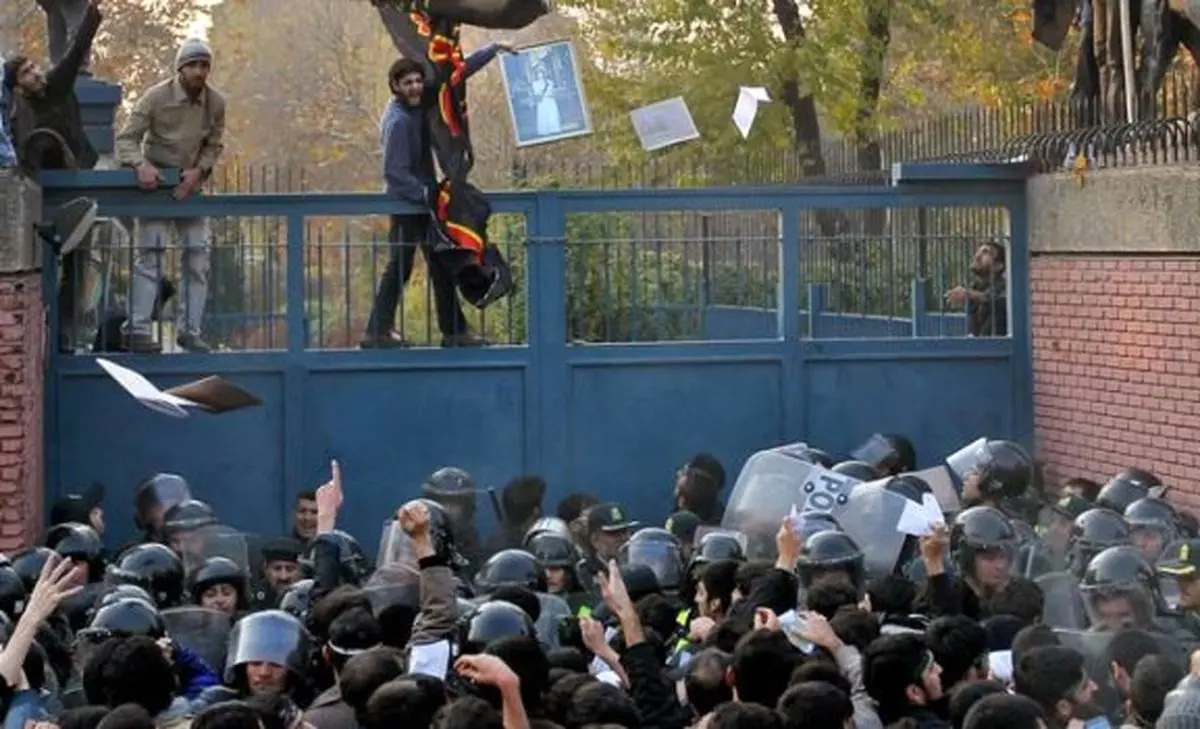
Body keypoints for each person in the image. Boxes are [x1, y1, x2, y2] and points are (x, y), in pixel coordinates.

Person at [363, 47, 510, 350]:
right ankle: (382, 331)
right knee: (403, 265)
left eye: (418, 81)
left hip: (423, 202)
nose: (415, 87)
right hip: (408, 203)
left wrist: (492, 51)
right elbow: (394, 172)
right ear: (395, 87)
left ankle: (451, 332)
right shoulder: (399, 122)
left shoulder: (417, 104)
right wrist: (427, 193)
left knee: (439, 263)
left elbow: (454, 76)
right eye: (408, 83)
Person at [114, 38, 226, 354]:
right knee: (150, 256)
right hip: (156, 186)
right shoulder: (155, 97)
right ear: (180, 68)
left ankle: (190, 331)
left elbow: (215, 143)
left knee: (198, 257)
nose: (200, 72)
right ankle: (136, 330)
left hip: (190, 187)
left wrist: (199, 170)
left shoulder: (215, 103)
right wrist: (140, 165)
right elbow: (126, 139)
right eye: (193, 65)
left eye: (205, 65)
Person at [3, 0, 104, 352]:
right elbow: (23, 158)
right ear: (17, 88)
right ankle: (40, 324)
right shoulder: (22, 114)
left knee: (79, 260)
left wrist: (92, 12)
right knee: (45, 262)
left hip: (80, 174)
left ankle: (65, 331)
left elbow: (76, 50)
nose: (36, 73)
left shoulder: (59, 84)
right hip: (47, 191)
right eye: (27, 73)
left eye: (33, 66)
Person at [945, 241, 1007, 338]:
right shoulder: (975, 287)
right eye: (978, 251)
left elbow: (994, 299)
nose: (977, 256)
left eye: (985, 252)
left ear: (998, 266)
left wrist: (968, 294)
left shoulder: (1004, 286)